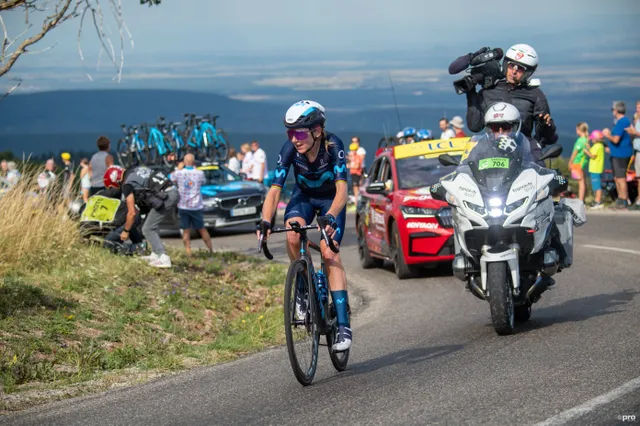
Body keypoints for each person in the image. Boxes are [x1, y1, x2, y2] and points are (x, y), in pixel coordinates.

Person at [258, 100, 352, 352]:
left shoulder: (334, 146)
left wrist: (331, 215)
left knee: (329, 252)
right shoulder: (289, 149)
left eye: (299, 133)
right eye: (290, 133)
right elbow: (274, 190)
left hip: (330, 200)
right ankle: (302, 288)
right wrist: (266, 220)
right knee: (291, 234)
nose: (294, 139)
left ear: (317, 131)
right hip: (304, 198)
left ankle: (343, 326)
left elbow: (343, 190)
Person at [482, 102, 569, 269]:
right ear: (488, 129)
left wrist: (553, 178)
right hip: (490, 197)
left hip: (519, 196)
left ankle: (557, 252)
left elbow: (540, 170)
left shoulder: (528, 144)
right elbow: (468, 166)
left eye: (505, 127)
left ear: (515, 127)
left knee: (547, 211)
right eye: (495, 127)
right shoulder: (482, 147)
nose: (500, 132)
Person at [465, 43, 557, 163]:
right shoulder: (488, 91)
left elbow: (546, 136)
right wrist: (470, 93)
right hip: (490, 148)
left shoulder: (535, 94)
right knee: (469, 170)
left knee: (541, 174)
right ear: (505, 64)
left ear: (528, 72)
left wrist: (546, 125)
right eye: (511, 65)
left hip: (525, 149)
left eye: (520, 68)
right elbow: (475, 126)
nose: (513, 71)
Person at [120, 164, 179, 268]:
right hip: (171, 190)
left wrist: (126, 231)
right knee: (151, 223)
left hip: (166, 195)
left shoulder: (127, 184)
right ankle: (156, 254)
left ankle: (163, 257)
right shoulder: (138, 169)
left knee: (147, 229)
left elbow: (132, 212)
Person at [170, 153, 214, 256]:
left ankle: (188, 253)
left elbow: (171, 177)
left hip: (183, 206)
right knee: (202, 229)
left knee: (186, 230)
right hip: (196, 206)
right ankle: (211, 250)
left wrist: (178, 168)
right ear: (194, 162)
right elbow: (203, 182)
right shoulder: (199, 173)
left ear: (184, 162)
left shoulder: (179, 173)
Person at [100, 165, 145, 253]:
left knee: (108, 243)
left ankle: (133, 249)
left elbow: (131, 213)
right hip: (136, 215)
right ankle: (139, 246)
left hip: (133, 214)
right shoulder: (132, 178)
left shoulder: (126, 186)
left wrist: (125, 231)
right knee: (129, 222)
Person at [602, 101, 633, 209]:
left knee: (620, 178)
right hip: (616, 153)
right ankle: (620, 198)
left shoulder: (622, 122)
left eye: (613, 109)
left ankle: (624, 199)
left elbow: (616, 139)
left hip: (621, 154)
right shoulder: (620, 122)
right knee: (617, 177)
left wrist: (607, 134)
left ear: (617, 110)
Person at [624, 100, 640, 210]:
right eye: (637, 107)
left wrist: (635, 132)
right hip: (637, 150)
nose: (637, 110)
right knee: (638, 177)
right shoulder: (637, 119)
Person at [584, 130, 605, 209]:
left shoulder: (598, 146)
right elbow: (593, 151)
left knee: (597, 186)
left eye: (593, 138)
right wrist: (589, 147)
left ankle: (598, 202)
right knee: (595, 186)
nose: (591, 139)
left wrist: (586, 151)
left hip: (596, 169)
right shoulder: (598, 145)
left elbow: (593, 156)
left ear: (597, 139)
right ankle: (597, 201)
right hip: (595, 169)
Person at [569, 123, 589, 202]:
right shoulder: (586, 139)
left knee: (581, 182)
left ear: (580, 130)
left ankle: (581, 200)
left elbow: (575, 152)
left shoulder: (581, 140)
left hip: (577, 163)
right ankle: (583, 198)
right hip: (581, 163)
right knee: (582, 180)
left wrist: (570, 162)